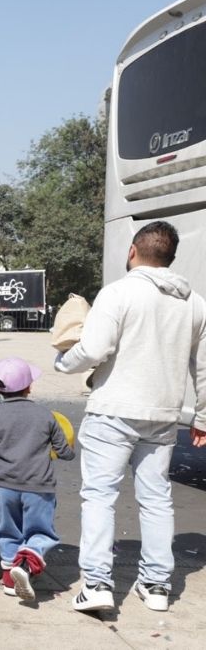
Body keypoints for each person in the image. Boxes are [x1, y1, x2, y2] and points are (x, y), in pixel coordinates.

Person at [55, 221, 206, 614]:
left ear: (132, 252)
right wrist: (203, 417)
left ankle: (96, 584)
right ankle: (156, 585)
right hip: (163, 414)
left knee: (99, 496)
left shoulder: (117, 293)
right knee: (156, 499)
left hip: (114, 409)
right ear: (171, 258)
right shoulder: (195, 303)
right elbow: (204, 366)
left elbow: (94, 349)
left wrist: (63, 362)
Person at [0, 357, 74, 600]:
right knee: (40, 531)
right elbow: (64, 451)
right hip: (39, 486)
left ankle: (9, 581)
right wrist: (69, 451)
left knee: (8, 531)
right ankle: (27, 562)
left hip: (4, 485)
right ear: (29, 387)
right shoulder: (46, 415)